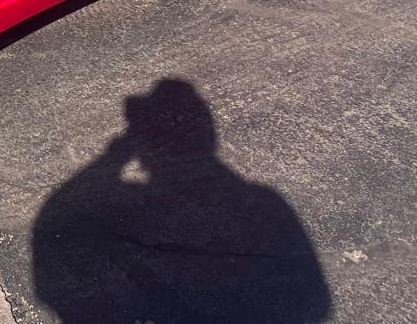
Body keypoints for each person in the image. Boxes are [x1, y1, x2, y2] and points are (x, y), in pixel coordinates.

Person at [32, 78, 332, 323]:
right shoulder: (265, 203)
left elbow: (56, 220)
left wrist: (115, 156)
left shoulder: (261, 203)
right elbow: (314, 301)